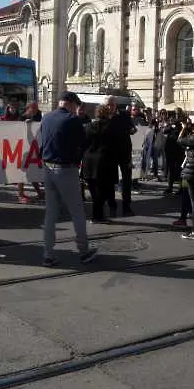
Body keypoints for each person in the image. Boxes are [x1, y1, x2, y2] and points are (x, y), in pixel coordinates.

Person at [39, 91, 97, 267]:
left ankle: (48, 254)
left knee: (50, 213)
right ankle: (84, 251)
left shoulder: (46, 118)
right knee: (77, 212)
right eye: (76, 106)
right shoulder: (72, 120)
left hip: (48, 167)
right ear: (71, 103)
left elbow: (42, 143)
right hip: (66, 168)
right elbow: (83, 142)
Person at [81, 104, 117, 222]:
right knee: (104, 190)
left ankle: (97, 215)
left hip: (89, 161)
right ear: (107, 113)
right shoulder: (111, 127)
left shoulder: (89, 126)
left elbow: (83, 144)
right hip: (104, 162)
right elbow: (117, 145)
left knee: (93, 189)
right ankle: (97, 216)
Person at [105, 96, 136, 216]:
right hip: (110, 153)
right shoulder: (104, 117)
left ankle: (126, 206)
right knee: (110, 181)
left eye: (111, 105)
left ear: (115, 105)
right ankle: (112, 205)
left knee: (127, 180)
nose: (110, 107)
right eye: (107, 105)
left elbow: (132, 128)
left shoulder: (124, 115)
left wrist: (132, 130)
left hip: (124, 152)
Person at [18, 102, 45, 204]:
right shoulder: (21, 117)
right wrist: (26, 125)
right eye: (33, 108)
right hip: (23, 149)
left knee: (32, 171)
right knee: (22, 172)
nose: (36, 110)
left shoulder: (38, 116)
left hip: (34, 148)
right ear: (28, 108)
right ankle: (20, 194)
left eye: (37, 108)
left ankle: (39, 192)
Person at [162, 109, 185, 195]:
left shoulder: (183, 125)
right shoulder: (171, 124)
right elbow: (165, 130)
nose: (176, 116)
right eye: (176, 114)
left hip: (179, 149)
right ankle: (170, 187)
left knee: (179, 169)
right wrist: (171, 126)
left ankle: (180, 188)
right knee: (171, 169)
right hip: (170, 149)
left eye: (178, 114)